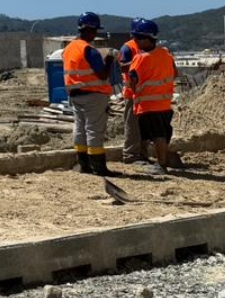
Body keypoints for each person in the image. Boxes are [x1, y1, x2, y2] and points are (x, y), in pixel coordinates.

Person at [63, 12, 115, 176]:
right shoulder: (89, 50)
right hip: (94, 95)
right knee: (94, 130)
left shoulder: (69, 48)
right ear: (91, 30)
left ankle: (84, 165)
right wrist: (108, 61)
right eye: (95, 31)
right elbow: (102, 75)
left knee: (80, 128)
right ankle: (99, 167)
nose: (95, 34)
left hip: (75, 94)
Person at [127, 19, 177, 174]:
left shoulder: (141, 58)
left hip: (148, 104)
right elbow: (175, 73)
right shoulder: (166, 54)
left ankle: (161, 164)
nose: (135, 41)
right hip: (165, 103)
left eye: (137, 38)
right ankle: (160, 159)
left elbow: (132, 81)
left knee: (157, 135)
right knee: (161, 132)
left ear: (145, 38)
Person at [119, 19, 147, 164]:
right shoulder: (128, 48)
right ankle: (130, 154)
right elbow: (123, 67)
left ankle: (142, 153)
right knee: (132, 125)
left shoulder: (146, 47)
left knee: (143, 127)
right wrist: (141, 60)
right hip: (132, 93)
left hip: (146, 94)